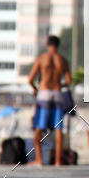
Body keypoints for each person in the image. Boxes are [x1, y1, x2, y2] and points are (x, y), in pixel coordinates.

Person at [28, 35, 72, 166]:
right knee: (58, 128)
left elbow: (30, 79)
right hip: (57, 93)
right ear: (57, 45)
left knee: (39, 127)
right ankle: (58, 161)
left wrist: (36, 89)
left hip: (44, 93)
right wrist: (60, 85)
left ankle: (39, 160)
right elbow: (69, 81)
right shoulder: (63, 60)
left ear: (48, 44)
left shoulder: (41, 58)